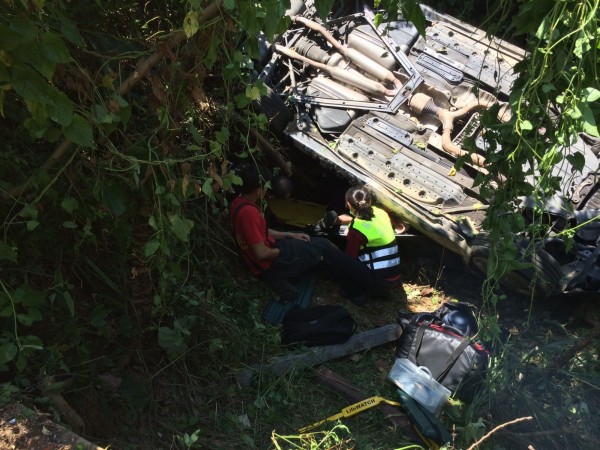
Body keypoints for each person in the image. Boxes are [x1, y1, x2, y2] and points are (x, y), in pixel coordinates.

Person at [229, 163, 337, 302]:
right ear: (258, 190)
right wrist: (286, 250)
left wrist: (290, 235)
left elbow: (260, 232)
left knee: (304, 242)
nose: (267, 189)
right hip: (267, 265)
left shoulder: (238, 203)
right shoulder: (249, 213)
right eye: (265, 186)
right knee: (319, 247)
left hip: (261, 259)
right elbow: (262, 253)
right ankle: (283, 275)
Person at [321, 184, 403, 305]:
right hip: (394, 278)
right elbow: (366, 218)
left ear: (348, 205)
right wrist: (339, 219)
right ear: (369, 201)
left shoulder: (356, 229)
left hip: (379, 283)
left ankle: (355, 293)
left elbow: (350, 258)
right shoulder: (381, 213)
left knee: (331, 255)